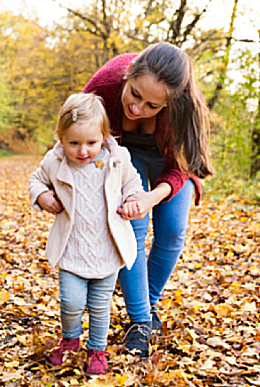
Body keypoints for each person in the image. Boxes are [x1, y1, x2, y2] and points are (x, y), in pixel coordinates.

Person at [82, 42, 215, 358]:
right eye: (135, 94)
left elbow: (182, 164)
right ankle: (140, 320)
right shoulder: (103, 87)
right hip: (127, 157)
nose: (138, 108)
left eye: (152, 105)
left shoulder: (185, 107)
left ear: (170, 102)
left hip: (170, 162)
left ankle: (148, 301)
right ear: (128, 75)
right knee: (133, 227)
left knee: (172, 231)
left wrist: (153, 197)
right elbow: (75, 128)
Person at [28, 93, 144, 374]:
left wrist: (133, 199)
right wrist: (43, 196)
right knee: (71, 300)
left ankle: (97, 350)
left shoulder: (117, 159)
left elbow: (133, 184)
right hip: (73, 247)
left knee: (100, 304)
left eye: (91, 143)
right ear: (60, 137)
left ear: (103, 135)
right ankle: (70, 340)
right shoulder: (56, 161)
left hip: (106, 247)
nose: (82, 151)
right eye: (74, 143)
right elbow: (36, 180)